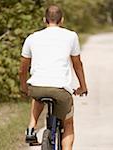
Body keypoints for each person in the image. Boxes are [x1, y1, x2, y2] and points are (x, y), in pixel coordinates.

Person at [19, 5, 88, 150]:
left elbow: (22, 68)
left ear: (44, 20)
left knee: (38, 95)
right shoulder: (71, 36)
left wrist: (24, 86)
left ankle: (31, 128)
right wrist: (83, 86)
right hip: (60, 90)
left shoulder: (32, 38)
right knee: (68, 123)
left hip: (37, 88)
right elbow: (77, 64)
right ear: (61, 20)